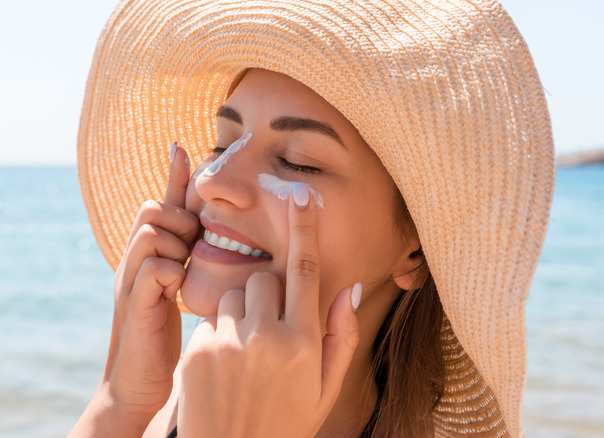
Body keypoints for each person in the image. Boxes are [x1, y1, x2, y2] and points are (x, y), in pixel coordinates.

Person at [69, 0, 554, 436]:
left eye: (300, 162)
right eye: (220, 144)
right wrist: (120, 402)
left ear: (416, 249)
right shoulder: (191, 383)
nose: (213, 179)